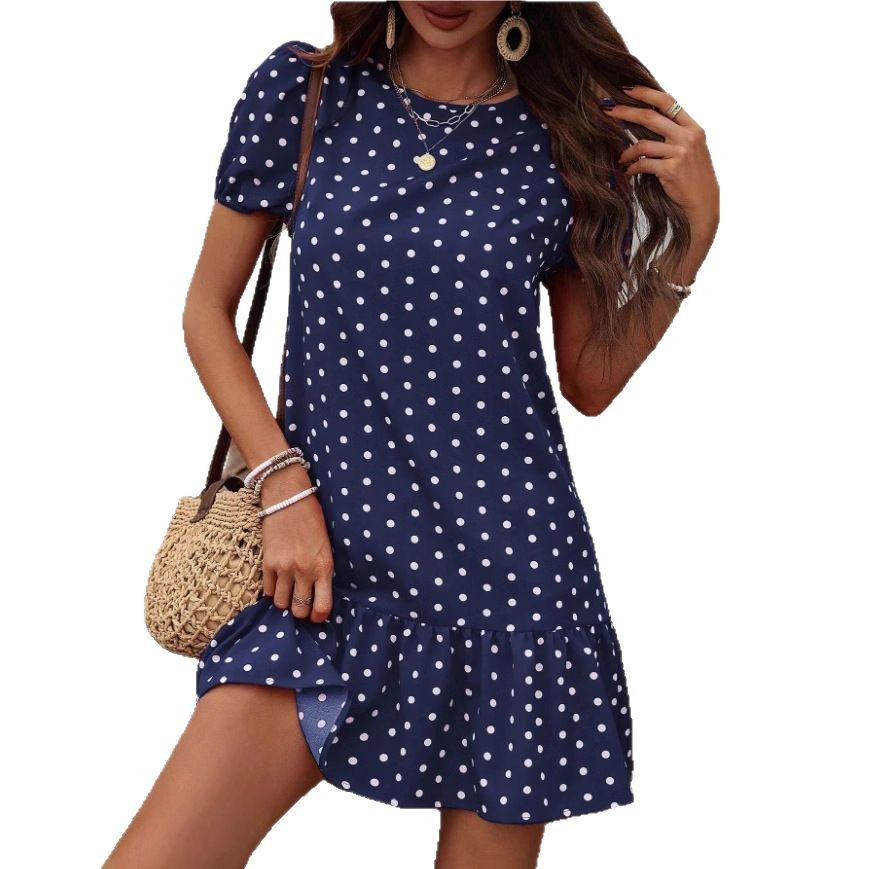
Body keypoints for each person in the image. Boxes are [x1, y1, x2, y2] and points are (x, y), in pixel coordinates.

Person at [104, 2, 719, 867]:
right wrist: (281, 483)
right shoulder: (303, 92)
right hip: (320, 575)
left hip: (509, 590)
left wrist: (691, 236)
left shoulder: (561, 133)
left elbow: (588, 379)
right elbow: (208, 310)